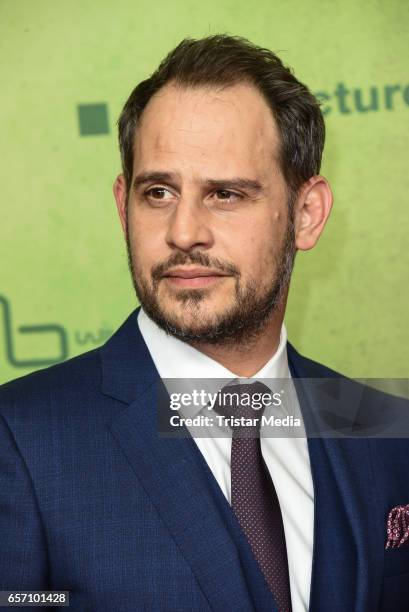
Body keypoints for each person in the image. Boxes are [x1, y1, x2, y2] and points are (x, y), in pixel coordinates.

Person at [0, 34, 408, 612]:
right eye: (159, 191)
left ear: (306, 214)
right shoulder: (19, 440)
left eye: (225, 194)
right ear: (124, 207)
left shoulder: (384, 429)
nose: (183, 231)